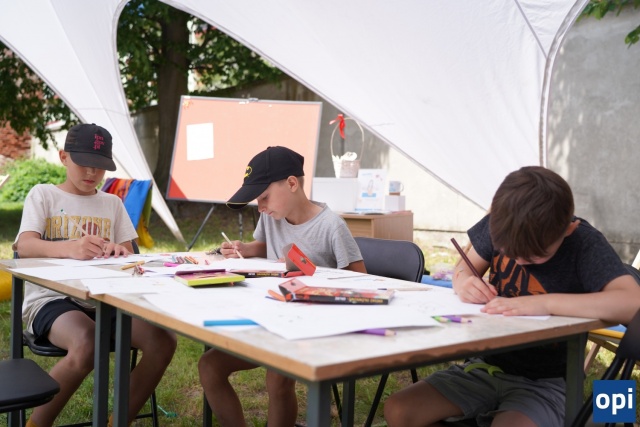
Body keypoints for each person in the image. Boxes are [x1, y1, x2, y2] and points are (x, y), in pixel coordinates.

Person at [384, 166, 640, 427]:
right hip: (483, 367)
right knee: (399, 409)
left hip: (545, 382)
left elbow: (633, 303)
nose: (519, 261)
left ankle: (593, 418)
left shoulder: (584, 243)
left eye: (533, 257)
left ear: (567, 229)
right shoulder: (504, 220)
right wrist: (464, 282)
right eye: (509, 252)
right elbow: (463, 267)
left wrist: (545, 303)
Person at [14, 123, 177, 427]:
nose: (91, 172)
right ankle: (35, 424)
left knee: (163, 341)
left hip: (105, 299)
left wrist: (118, 250)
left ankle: (118, 421)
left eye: (99, 166)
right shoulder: (44, 195)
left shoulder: (112, 203)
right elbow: (24, 247)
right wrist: (70, 247)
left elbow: (130, 252)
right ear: (63, 157)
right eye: (84, 163)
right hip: (52, 299)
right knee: (87, 341)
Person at [198, 145, 366, 426]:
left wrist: (315, 275)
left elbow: (362, 280)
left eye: (264, 197)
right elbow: (264, 245)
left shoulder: (331, 226)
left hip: (313, 329)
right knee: (209, 365)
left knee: (276, 375)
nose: (260, 207)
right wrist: (245, 248)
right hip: (270, 319)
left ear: (291, 183)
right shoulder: (271, 217)